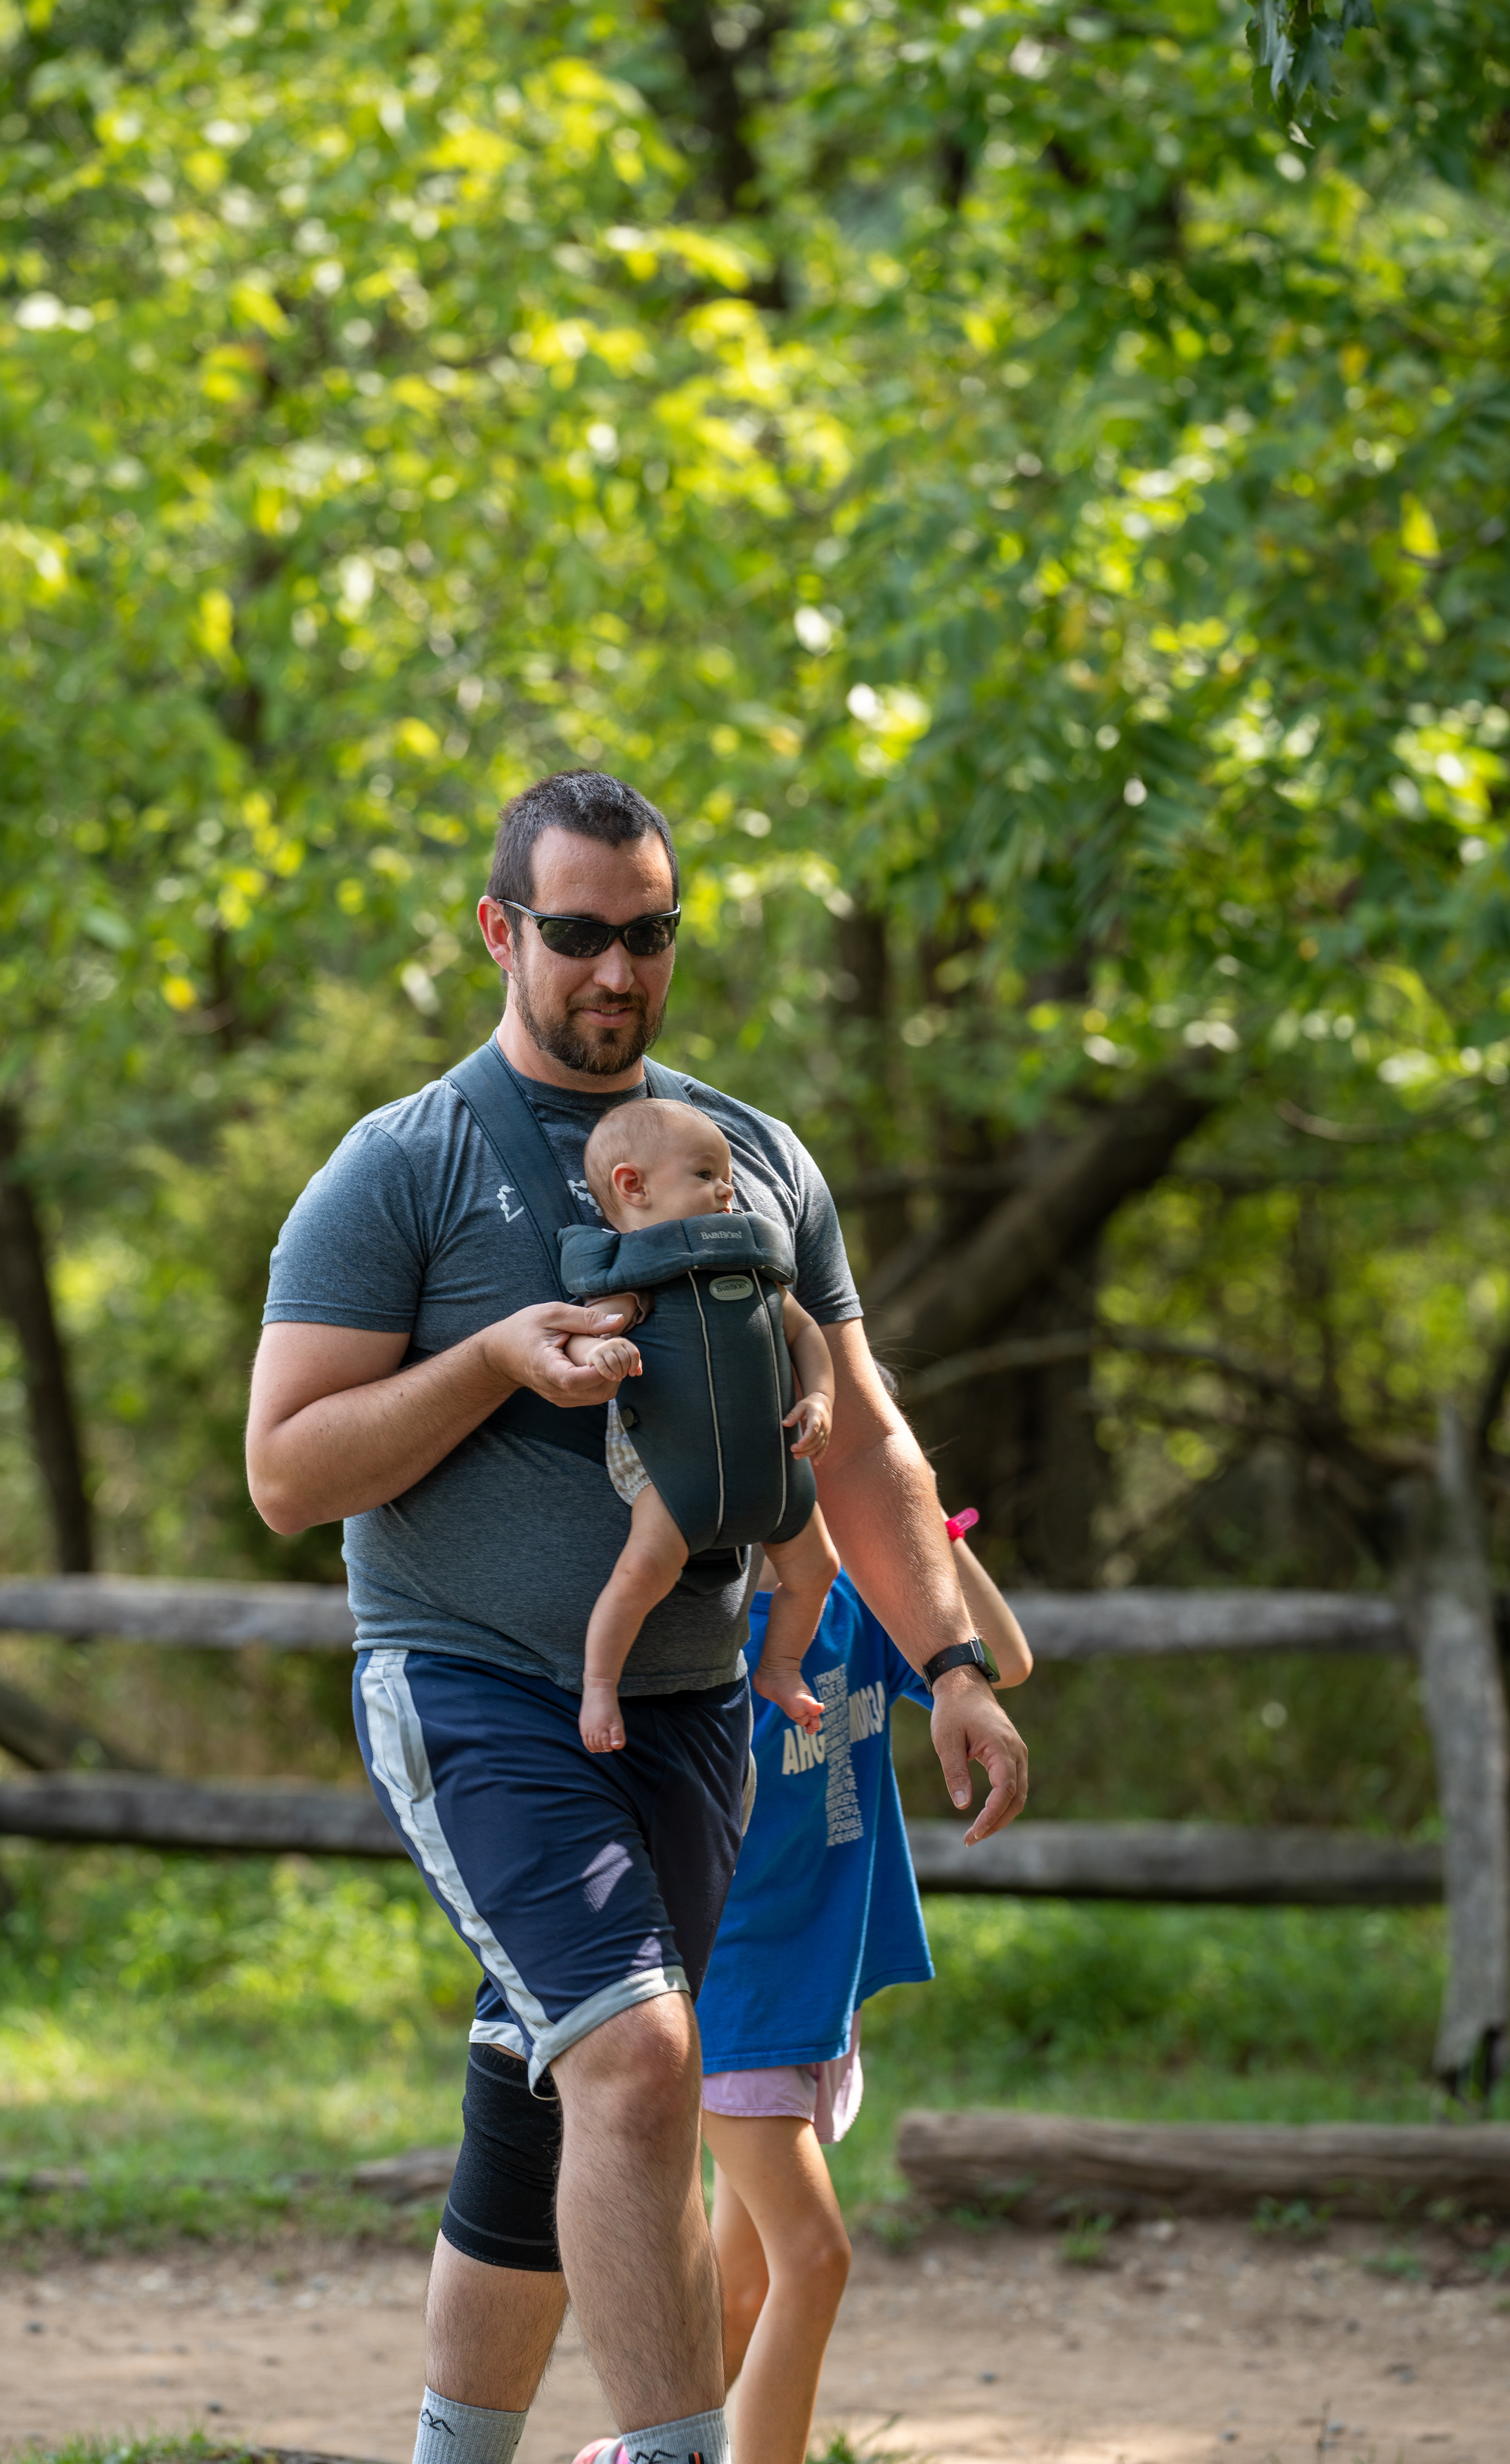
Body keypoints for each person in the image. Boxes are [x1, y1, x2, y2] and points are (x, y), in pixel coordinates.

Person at [244, 769, 1029, 2464]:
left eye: (649, 932)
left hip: (693, 1708)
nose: (617, 968)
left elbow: (868, 1434)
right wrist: (489, 1358)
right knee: (640, 2065)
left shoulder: (747, 1159)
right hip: (469, 1685)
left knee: (543, 2107)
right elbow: (287, 1472)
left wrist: (953, 1660)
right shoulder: (401, 1167)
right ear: (499, 929)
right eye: (581, 932)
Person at [697, 1507, 1032, 2464]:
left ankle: (642, 2449)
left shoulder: (854, 1607)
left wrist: (928, 1529)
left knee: (741, 2293)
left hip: (810, 1984)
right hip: (734, 1992)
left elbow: (1000, 1662)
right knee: (815, 2259)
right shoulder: (705, 1646)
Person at [561, 1098, 839, 1753]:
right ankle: (599, 1685)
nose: (727, 1188)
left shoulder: (756, 1269)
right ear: (634, 1186)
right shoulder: (636, 1278)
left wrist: (821, 1399)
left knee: (818, 1566)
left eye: (728, 1177)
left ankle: (780, 1668)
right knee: (639, 1579)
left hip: (773, 1470)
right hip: (673, 1474)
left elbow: (807, 1336)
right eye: (705, 1174)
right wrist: (599, 1354)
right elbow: (579, 1339)